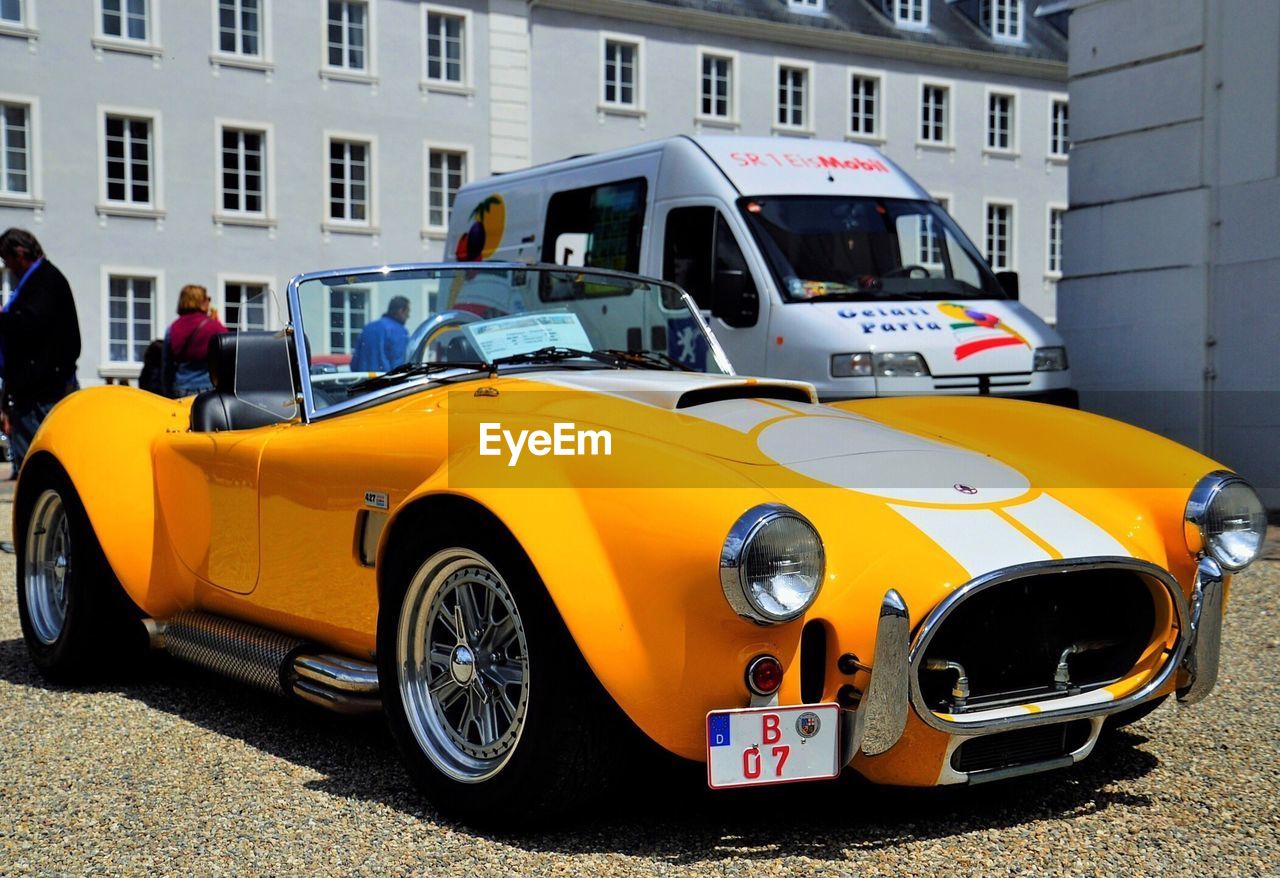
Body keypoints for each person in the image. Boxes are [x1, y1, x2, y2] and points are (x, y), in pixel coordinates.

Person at [0, 228, 81, 477]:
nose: (9, 268)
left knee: (44, 462)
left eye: (8, 261)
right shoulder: (41, 281)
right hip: (34, 389)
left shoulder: (45, 281)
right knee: (40, 462)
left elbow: (30, 326)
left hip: (43, 392)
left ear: (21, 254)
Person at [162, 284, 228, 396]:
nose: (209, 302)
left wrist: (167, 391)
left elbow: (166, 365)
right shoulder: (214, 327)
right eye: (207, 299)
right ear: (201, 302)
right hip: (208, 386)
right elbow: (227, 354)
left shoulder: (172, 328)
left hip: (181, 387)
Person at [350, 296, 411, 372]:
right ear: (401, 311)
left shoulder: (368, 327)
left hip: (364, 379)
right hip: (386, 381)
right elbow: (399, 365)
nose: (408, 316)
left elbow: (355, 363)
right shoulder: (400, 331)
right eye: (407, 312)